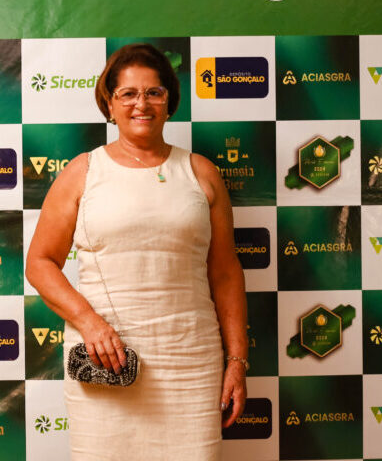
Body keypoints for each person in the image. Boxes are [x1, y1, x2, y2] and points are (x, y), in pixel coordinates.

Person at [25, 43, 248, 460]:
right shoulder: (83, 172)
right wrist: (88, 322)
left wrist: (236, 360)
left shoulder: (201, 173)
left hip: (191, 363)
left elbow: (225, 272)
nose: (141, 104)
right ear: (109, 104)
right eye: (128, 93)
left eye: (153, 92)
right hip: (107, 362)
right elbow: (39, 263)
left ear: (169, 102)